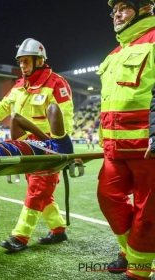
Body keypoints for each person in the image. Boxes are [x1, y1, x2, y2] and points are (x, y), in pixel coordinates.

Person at [0, 38, 74, 253]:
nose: (22, 65)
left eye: (26, 61)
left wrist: (63, 145)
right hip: (27, 147)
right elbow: (2, 107)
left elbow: (66, 117)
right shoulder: (19, 86)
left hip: (49, 148)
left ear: (40, 61)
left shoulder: (56, 83)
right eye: (20, 62)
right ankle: (58, 229)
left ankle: (20, 236)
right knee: (40, 191)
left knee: (37, 190)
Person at [96, 1, 155, 280]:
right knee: (107, 197)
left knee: (148, 211)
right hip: (114, 147)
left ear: (144, 8)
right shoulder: (114, 53)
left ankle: (139, 271)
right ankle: (131, 251)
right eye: (114, 10)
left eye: (123, 7)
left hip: (147, 148)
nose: (116, 14)